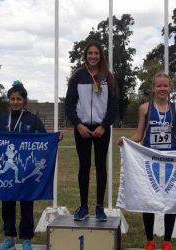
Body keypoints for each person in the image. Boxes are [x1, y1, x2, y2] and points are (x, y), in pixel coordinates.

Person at [117, 72, 176, 250]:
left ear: (170, 88)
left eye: (165, 86)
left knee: (171, 200)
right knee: (147, 198)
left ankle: (167, 241)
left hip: (171, 160)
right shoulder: (144, 108)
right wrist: (127, 141)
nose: (162, 89)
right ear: (153, 88)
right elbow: (139, 135)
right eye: (159, 86)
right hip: (149, 160)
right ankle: (149, 240)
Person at [0, 80, 62, 250]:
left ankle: (26, 239)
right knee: (7, 204)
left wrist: (54, 138)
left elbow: (44, 140)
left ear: (24, 101)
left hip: (25, 169)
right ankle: (9, 237)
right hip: (7, 171)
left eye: (19, 99)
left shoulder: (33, 119)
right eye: (12, 99)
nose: (15, 102)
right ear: (9, 100)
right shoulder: (2, 120)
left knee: (26, 205)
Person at [65, 41, 118, 222]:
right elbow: (69, 104)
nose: (93, 56)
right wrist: (78, 124)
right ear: (85, 55)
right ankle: (84, 206)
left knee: (101, 166)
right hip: (82, 128)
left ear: (100, 55)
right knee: (84, 166)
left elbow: (113, 106)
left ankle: (99, 207)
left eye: (96, 53)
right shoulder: (78, 76)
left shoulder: (108, 77)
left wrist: (104, 126)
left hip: (102, 129)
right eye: (90, 53)